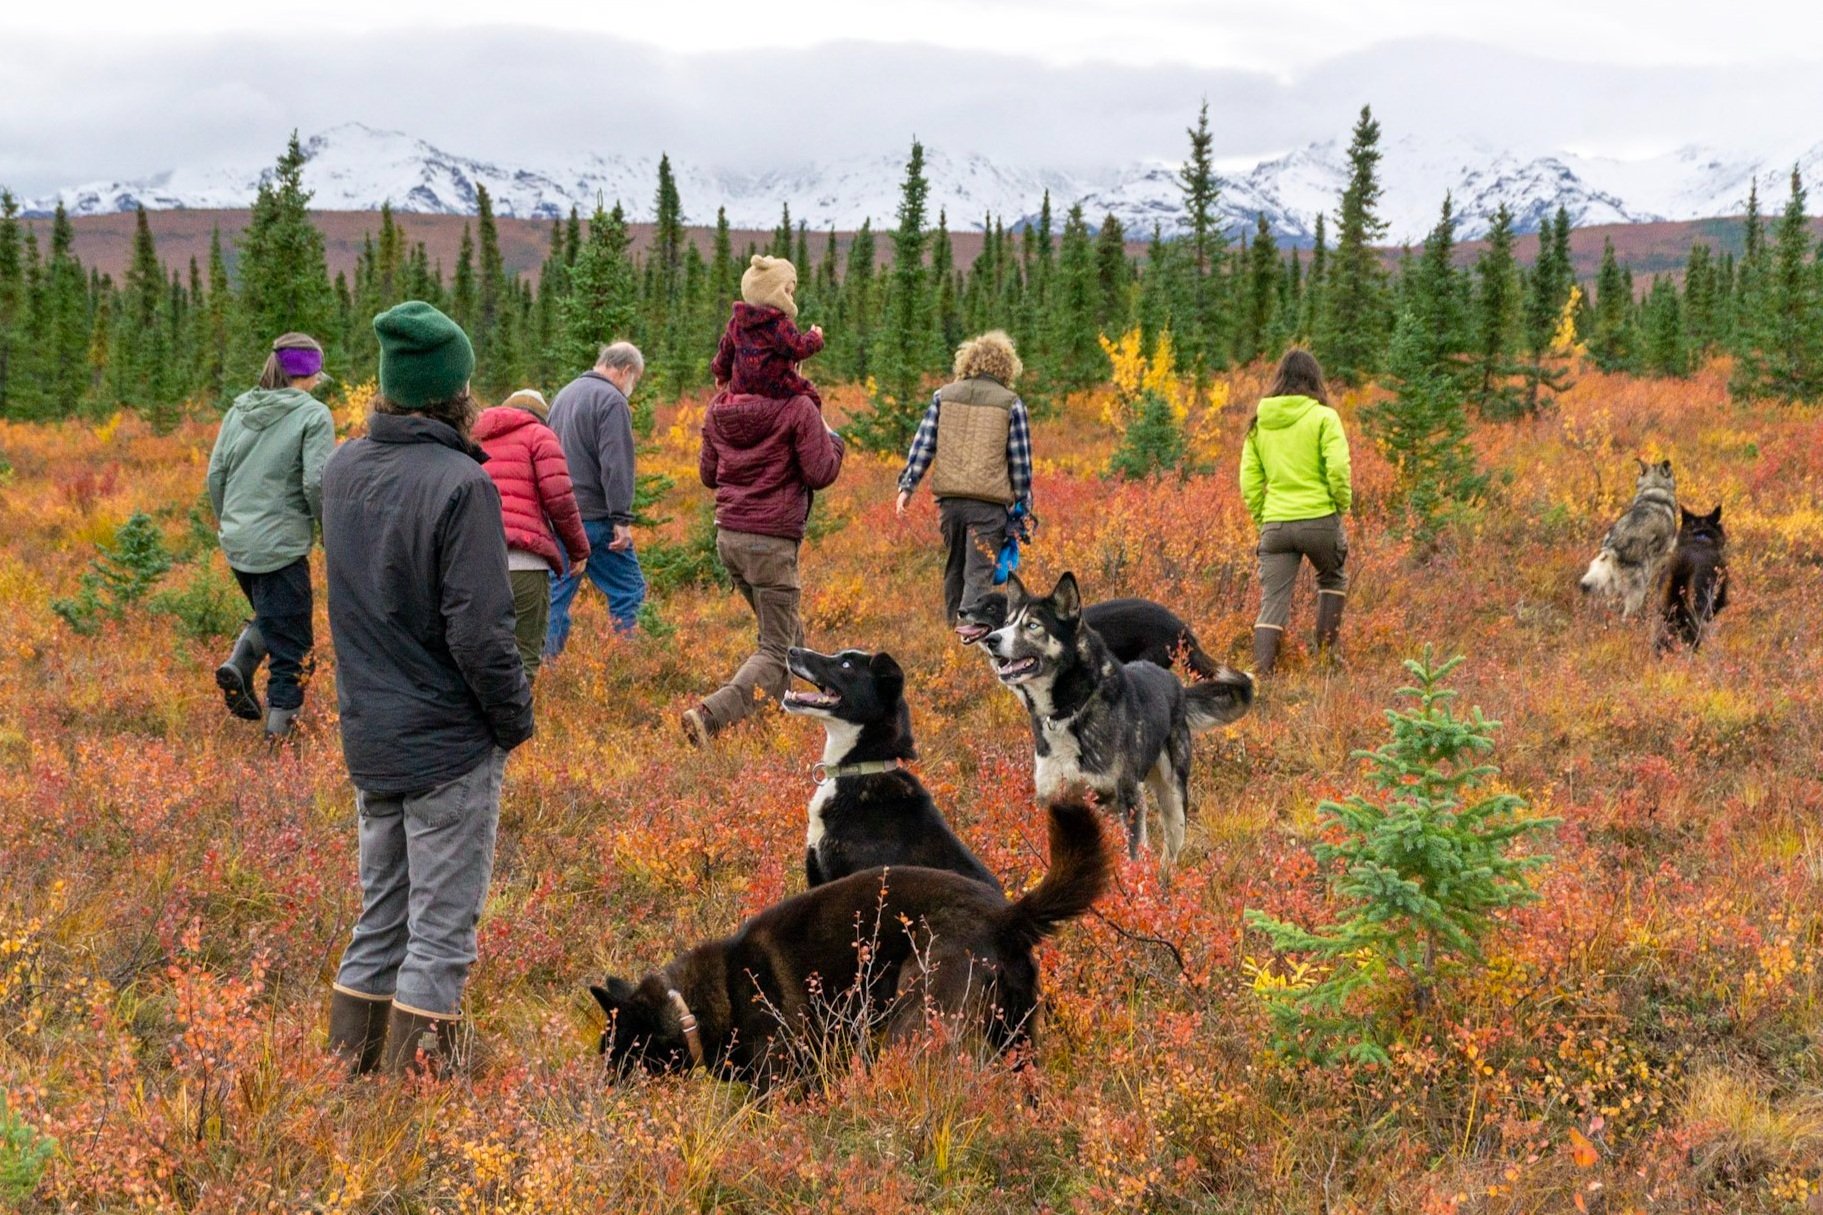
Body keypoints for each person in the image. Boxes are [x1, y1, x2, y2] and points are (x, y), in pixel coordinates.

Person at [321, 301, 533, 1077]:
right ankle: (412, 1106)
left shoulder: (342, 468)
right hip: (447, 743)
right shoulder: (459, 484)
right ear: (454, 390)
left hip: (371, 737)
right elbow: (481, 631)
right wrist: (513, 720)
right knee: (441, 931)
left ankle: (347, 1081)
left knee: (380, 917)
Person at [681, 383, 845, 747]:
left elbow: (709, 475)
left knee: (789, 633)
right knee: (777, 647)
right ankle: (711, 716)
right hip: (770, 543)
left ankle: (782, 719)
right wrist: (833, 439)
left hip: (730, 538)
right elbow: (821, 472)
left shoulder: (720, 404)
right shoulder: (797, 406)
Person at [206, 332, 336, 741]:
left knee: (275, 616)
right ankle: (280, 746)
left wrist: (230, 523)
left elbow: (215, 475)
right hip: (280, 546)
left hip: (239, 544)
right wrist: (328, 530)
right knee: (294, 650)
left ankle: (240, 666)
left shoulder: (239, 410)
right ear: (311, 373)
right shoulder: (314, 415)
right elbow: (316, 483)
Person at [894, 331, 1034, 624]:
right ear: (1006, 367)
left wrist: (907, 487)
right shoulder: (1011, 403)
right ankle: (967, 637)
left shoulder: (943, 396)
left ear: (967, 362)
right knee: (978, 575)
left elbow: (923, 445)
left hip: (951, 504)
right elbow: (1020, 463)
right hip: (988, 507)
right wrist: (1024, 504)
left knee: (955, 569)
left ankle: (950, 629)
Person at [1239, 347, 1353, 675]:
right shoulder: (1323, 417)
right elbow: (1338, 469)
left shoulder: (1260, 421)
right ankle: (1326, 658)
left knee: (1272, 600)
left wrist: (1265, 517)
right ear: (1315, 379)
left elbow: (1249, 480)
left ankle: (1262, 677)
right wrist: (1340, 505)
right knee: (1332, 576)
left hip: (1276, 524)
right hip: (1320, 519)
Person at [472, 388, 590, 684]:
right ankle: (515, 727)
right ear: (541, 416)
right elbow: (560, 499)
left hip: (476, 562)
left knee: (479, 654)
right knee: (523, 657)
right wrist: (578, 550)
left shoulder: (472, 436)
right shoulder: (540, 436)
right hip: (525, 564)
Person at [545, 342, 646, 650]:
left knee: (555, 598)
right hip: (596, 521)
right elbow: (616, 463)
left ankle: (544, 670)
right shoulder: (612, 401)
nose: (632, 388)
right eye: (635, 380)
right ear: (626, 370)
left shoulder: (565, 394)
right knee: (629, 588)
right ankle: (628, 664)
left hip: (559, 515)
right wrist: (621, 518)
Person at [711, 254, 825, 410]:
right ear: (776, 293)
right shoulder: (778, 324)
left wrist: (721, 374)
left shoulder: (736, 322)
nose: (791, 298)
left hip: (741, 388)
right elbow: (798, 348)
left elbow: (725, 353)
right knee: (811, 397)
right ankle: (812, 431)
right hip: (777, 388)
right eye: (788, 292)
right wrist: (815, 337)